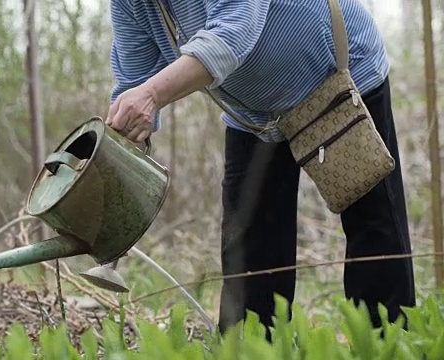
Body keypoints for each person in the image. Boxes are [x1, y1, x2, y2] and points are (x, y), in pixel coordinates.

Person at [104, 0, 416, 336]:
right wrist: (116, 145)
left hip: (336, 73)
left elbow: (233, 32)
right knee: (250, 245)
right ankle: (252, 348)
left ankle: (387, 343)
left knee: (372, 225)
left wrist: (151, 95)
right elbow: (134, 80)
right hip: (257, 115)